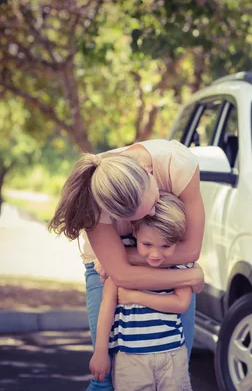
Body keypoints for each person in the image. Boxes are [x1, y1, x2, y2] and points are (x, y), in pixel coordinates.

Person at [48, 139, 205, 390]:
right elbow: (121, 276)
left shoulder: (178, 164)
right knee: (105, 378)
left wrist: (122, 257)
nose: (149, 217)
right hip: (107, 274)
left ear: (147, 171)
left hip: (164, 262)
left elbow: (190, 249)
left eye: (153, 204)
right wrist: (190, 277)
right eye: (134, 220)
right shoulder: (94, 198)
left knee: (177, 369)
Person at [90, 192, 193, 391]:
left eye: (166, 246)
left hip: (172, 355)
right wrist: (101, 351)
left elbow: (181, 303)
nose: (155, 254)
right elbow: (107, 307)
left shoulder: (178, 266)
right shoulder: (122, 263)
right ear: (135, 232)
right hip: (131, 358)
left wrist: (135, 296)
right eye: (147, 244)